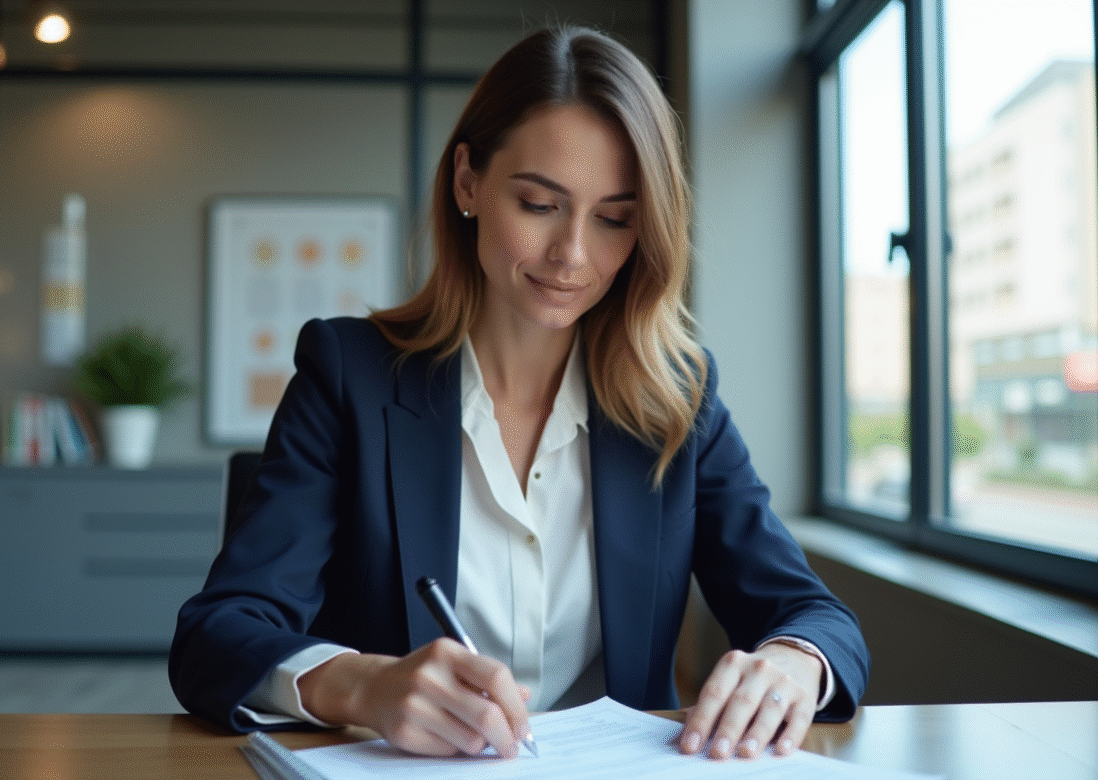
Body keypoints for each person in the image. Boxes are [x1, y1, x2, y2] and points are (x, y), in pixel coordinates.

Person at [169, 25, 869, 762]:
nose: (572, 255)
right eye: (539, 205)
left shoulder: (677, 400)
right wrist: (363, 685)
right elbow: (216, 636)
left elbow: (815, 616)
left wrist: (795, 663)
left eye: (615, 219)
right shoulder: (349, 376)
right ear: (467, 182)